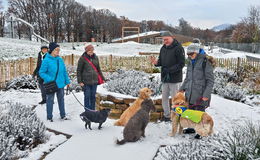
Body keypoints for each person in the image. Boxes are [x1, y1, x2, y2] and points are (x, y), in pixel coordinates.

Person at [179, 44, 214, 138]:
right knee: (190, 111)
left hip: (200, 93)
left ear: (197, 52)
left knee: (199, 113)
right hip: (190, 92)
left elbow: (210, 80)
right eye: (188, 54)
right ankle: (191, 128)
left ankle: (202, 131)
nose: (190, 56)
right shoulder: (190, 61)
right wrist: (182, 88)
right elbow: (187, 78)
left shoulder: (205, 61)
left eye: (191, 54)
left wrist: (206, 94)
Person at [150, 31, 185, 122]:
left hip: (175, 79)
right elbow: (161, 62)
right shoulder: (163, 48)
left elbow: (181, 64)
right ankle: (167, 116)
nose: (165, 41)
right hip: (165, 77)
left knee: (176, 100)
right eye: (163, 40)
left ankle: (177, 117)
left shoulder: (179, 48)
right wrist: (156, 63)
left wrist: (170, 70)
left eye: (166, 39)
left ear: (172, 37)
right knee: (164, 99)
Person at [39, 42, 70, 122]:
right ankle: (49, 117)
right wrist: (50, 79)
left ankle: (63, 115)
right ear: (52, 50)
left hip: (60, 84)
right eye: (56, 50)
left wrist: (67, 81)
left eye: (59, 50)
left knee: (61, 100)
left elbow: (64, 71)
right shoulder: (46, 60)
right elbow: (41, 72)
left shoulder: (60, 59)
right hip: (51, 84)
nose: (58, 51)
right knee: (50, 100)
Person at [77, 44, 105, 111]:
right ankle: (87, 111)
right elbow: (79, 70)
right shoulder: (82, 58)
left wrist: (103, 78)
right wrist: (80, 81)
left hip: (94, 81)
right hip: (86, 82)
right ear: (86, 51)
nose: (91, 52)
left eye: (92, 50)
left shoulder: (95, 57)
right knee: (87, 97)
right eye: (89, 51)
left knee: (93, 97)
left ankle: (92, 111)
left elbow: (98, 69)